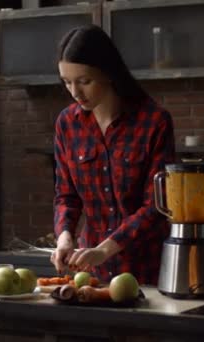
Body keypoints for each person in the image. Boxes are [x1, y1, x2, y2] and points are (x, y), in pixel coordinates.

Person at [51, 24, 175, 285]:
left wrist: (105, 250)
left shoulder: (154, 121)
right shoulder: (67, 123)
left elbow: (157, 206)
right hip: (90, 274)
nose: (75, 92)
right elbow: (66, 195)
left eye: (84, 81)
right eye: (67, 82)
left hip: (146, 270)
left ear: (108, 73)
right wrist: (64, 236)